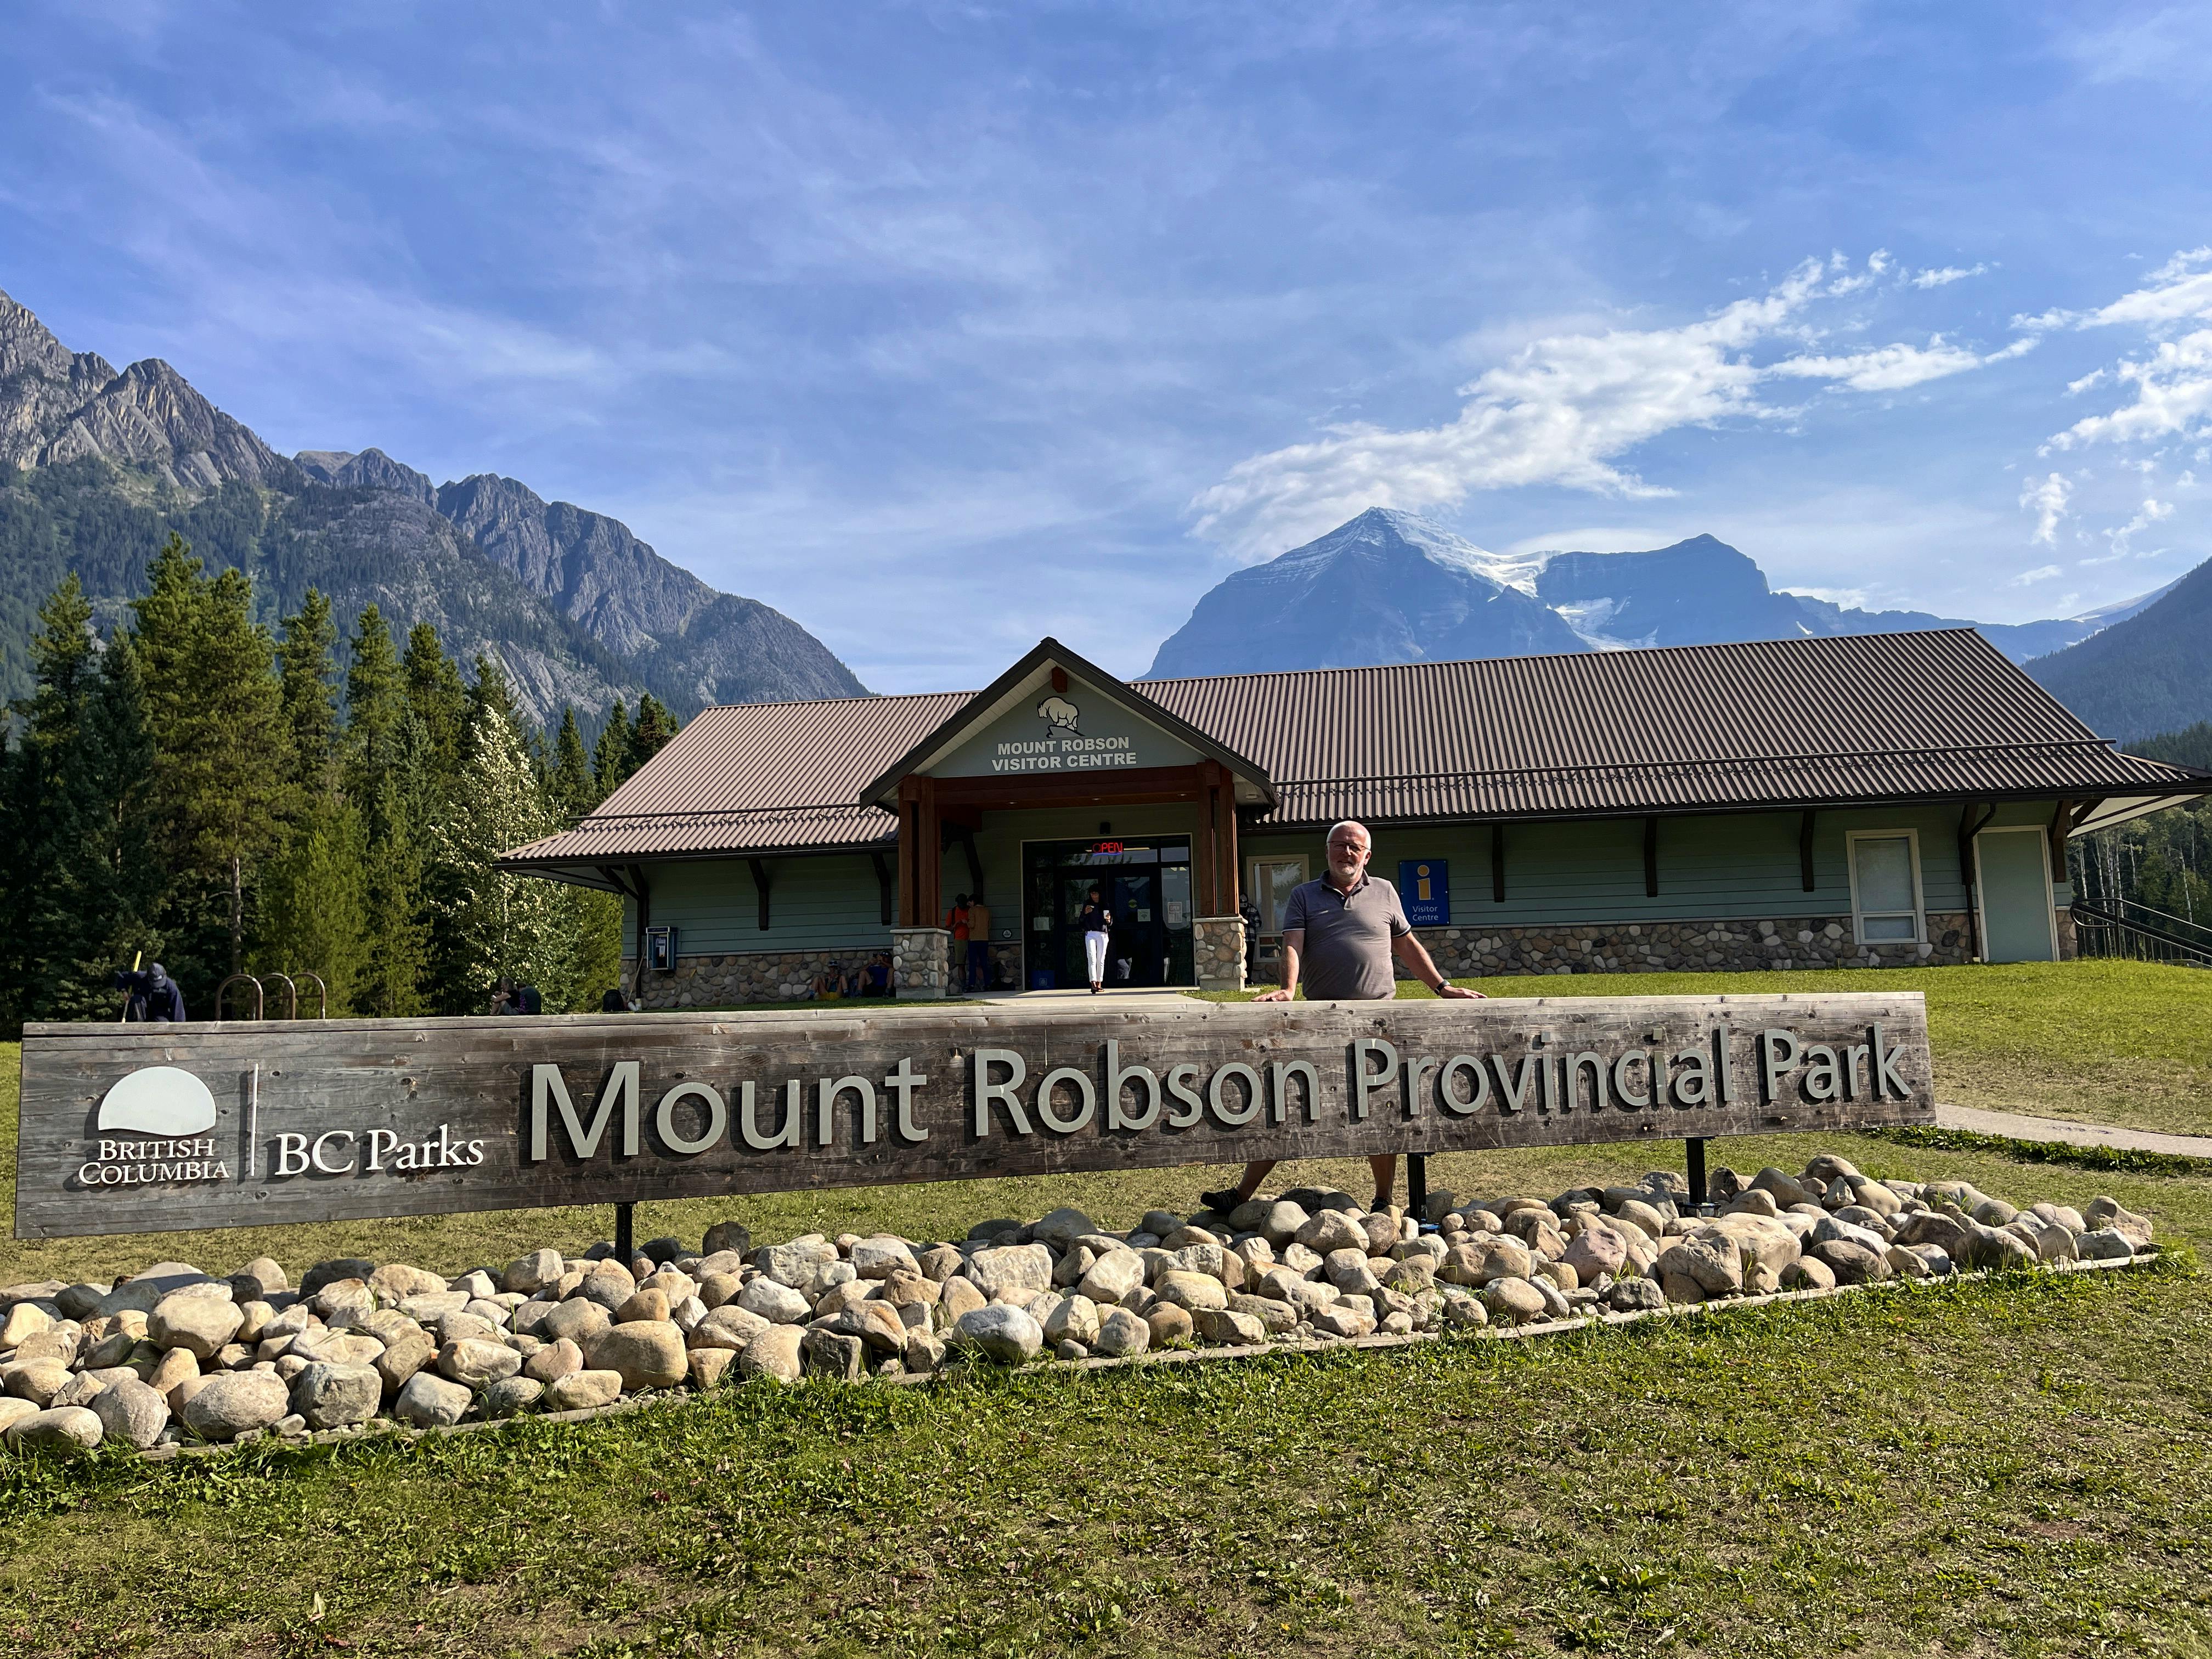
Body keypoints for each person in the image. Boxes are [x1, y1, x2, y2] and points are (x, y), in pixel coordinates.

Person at [1199, 820, 1483, 1216]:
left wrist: (1442, 987)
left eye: (1354, 847)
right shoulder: (1303, 895)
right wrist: (1288, 990)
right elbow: (1293, 944)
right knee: (1289, 1103)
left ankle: (1383, 1200)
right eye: (1339, 845)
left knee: (1381, 1109)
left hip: (1377, 1022)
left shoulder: (1385, 891)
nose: (1346, 852)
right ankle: (1242, 1194)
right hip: (1324, 1021)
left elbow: (1407, 946)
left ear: (1367, 856)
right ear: (1327, 851)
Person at [114, 962, 187, 1022]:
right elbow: (121, 976)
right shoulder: (140, 977)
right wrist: (124, 991)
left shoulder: (171, 987)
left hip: (160, 1014)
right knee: (137, 999)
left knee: (162, 1023)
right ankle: (137, 1028)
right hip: (141, 1013)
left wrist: (178, 1029)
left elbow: (178, 1011)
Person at [1076, 884, 1113, 994]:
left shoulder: (1105, 904)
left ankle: (1099, 983)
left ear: (1099, 894)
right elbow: (1081, 920)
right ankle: (1093, 983)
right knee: (1092, 958)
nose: (1094, 896)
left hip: (1102, 933)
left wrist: (1109, 920)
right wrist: (1085, 913)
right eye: (1092, 894)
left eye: (1096, 894)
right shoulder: (1087, 904)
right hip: (1090, 933)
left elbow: (1110, 922)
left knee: (1100, 959)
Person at [964, 893, 993, 991]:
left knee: (973, 963)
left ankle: (971, 985)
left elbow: (972, 925)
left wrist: (966, 922)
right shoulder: (987, 911)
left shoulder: (972, 910)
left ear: (973, 902)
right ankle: (988, 984)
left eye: (970, 903)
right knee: (984, 963)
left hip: (974, 940)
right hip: (984, 939)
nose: (969, 905)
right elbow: (989, 926)